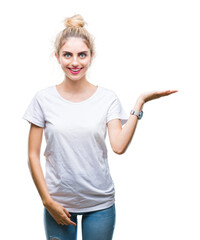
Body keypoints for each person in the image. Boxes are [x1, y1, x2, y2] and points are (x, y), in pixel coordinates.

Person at [22, 14, 178, 240]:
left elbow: (119, 146)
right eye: (68, 55)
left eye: (82, 55)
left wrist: (139, 103)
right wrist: (47, 201)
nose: (75, 62)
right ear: (57, 57)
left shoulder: (107, 98)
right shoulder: (42, 99)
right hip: (58, 204)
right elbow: (32, 155)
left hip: (100, 204)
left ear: (91, 56)